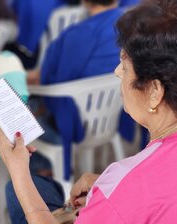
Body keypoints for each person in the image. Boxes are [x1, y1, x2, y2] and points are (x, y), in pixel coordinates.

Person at [0, 0, 177, 223]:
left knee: (21, 189)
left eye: (124, 65)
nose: (117, 72)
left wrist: (18, 169)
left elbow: (147, 192)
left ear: (155, 90)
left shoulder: (129, 181)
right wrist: (106, 186)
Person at [28, 0, 122, 180]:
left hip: (75, 122)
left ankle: (42, 174)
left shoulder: (77, 35)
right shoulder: (133, 26)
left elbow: (48, 80)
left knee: (22, 108)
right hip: (108, 116)